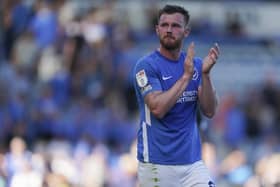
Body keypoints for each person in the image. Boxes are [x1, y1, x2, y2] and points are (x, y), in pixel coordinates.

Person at [133, 4, 220, 187]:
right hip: (157, 164)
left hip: (192, 164)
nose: (169, 30)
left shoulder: (195, 65)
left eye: (175, 26)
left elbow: (210, 111)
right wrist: (186, 77)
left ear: (186, 32)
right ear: (157, 30)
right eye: (164, 25)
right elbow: (157, 108)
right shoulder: (146, 66)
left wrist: (205, 75)